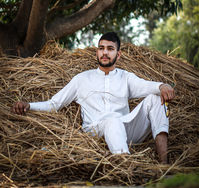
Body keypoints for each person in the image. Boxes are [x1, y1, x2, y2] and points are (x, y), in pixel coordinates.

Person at [13, 32, 175, 163]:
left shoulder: (125, 77)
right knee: (111, 121)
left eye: (110, 49)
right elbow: (54, 103)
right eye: (101, 48)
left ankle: (164, 165)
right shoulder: (81, 79)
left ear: (118, 55)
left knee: (155, 98)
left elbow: (146, 85)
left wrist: (161, 86)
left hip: (125, 129)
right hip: (95, 132)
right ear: (97, 52)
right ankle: (125, 166)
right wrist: (29, 105)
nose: (105, 52)